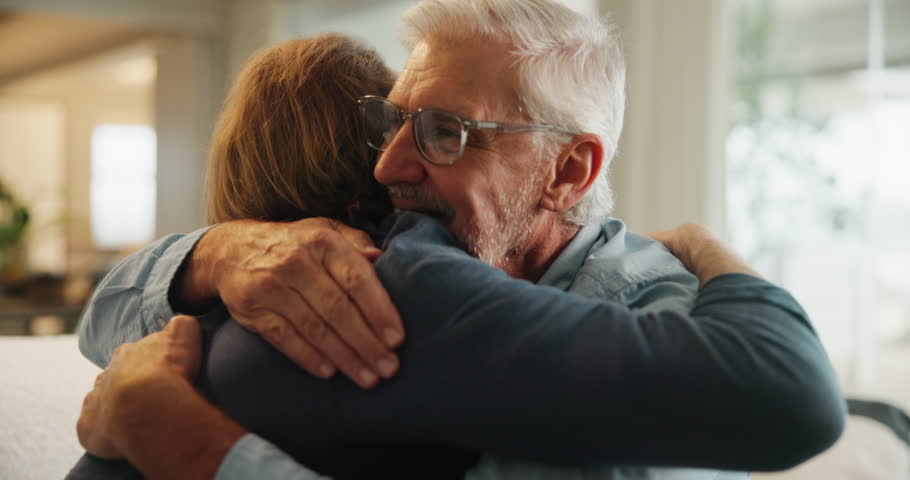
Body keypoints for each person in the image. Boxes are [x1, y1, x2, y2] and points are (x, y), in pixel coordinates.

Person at [72, 2, 845, 479]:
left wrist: (182, 439)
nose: (387, 165)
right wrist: (216, 252)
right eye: (392, 122)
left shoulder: (648, 321)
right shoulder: (335, 270)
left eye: (446, 132)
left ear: (567, 171)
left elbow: (794, 399)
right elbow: (101, 322)